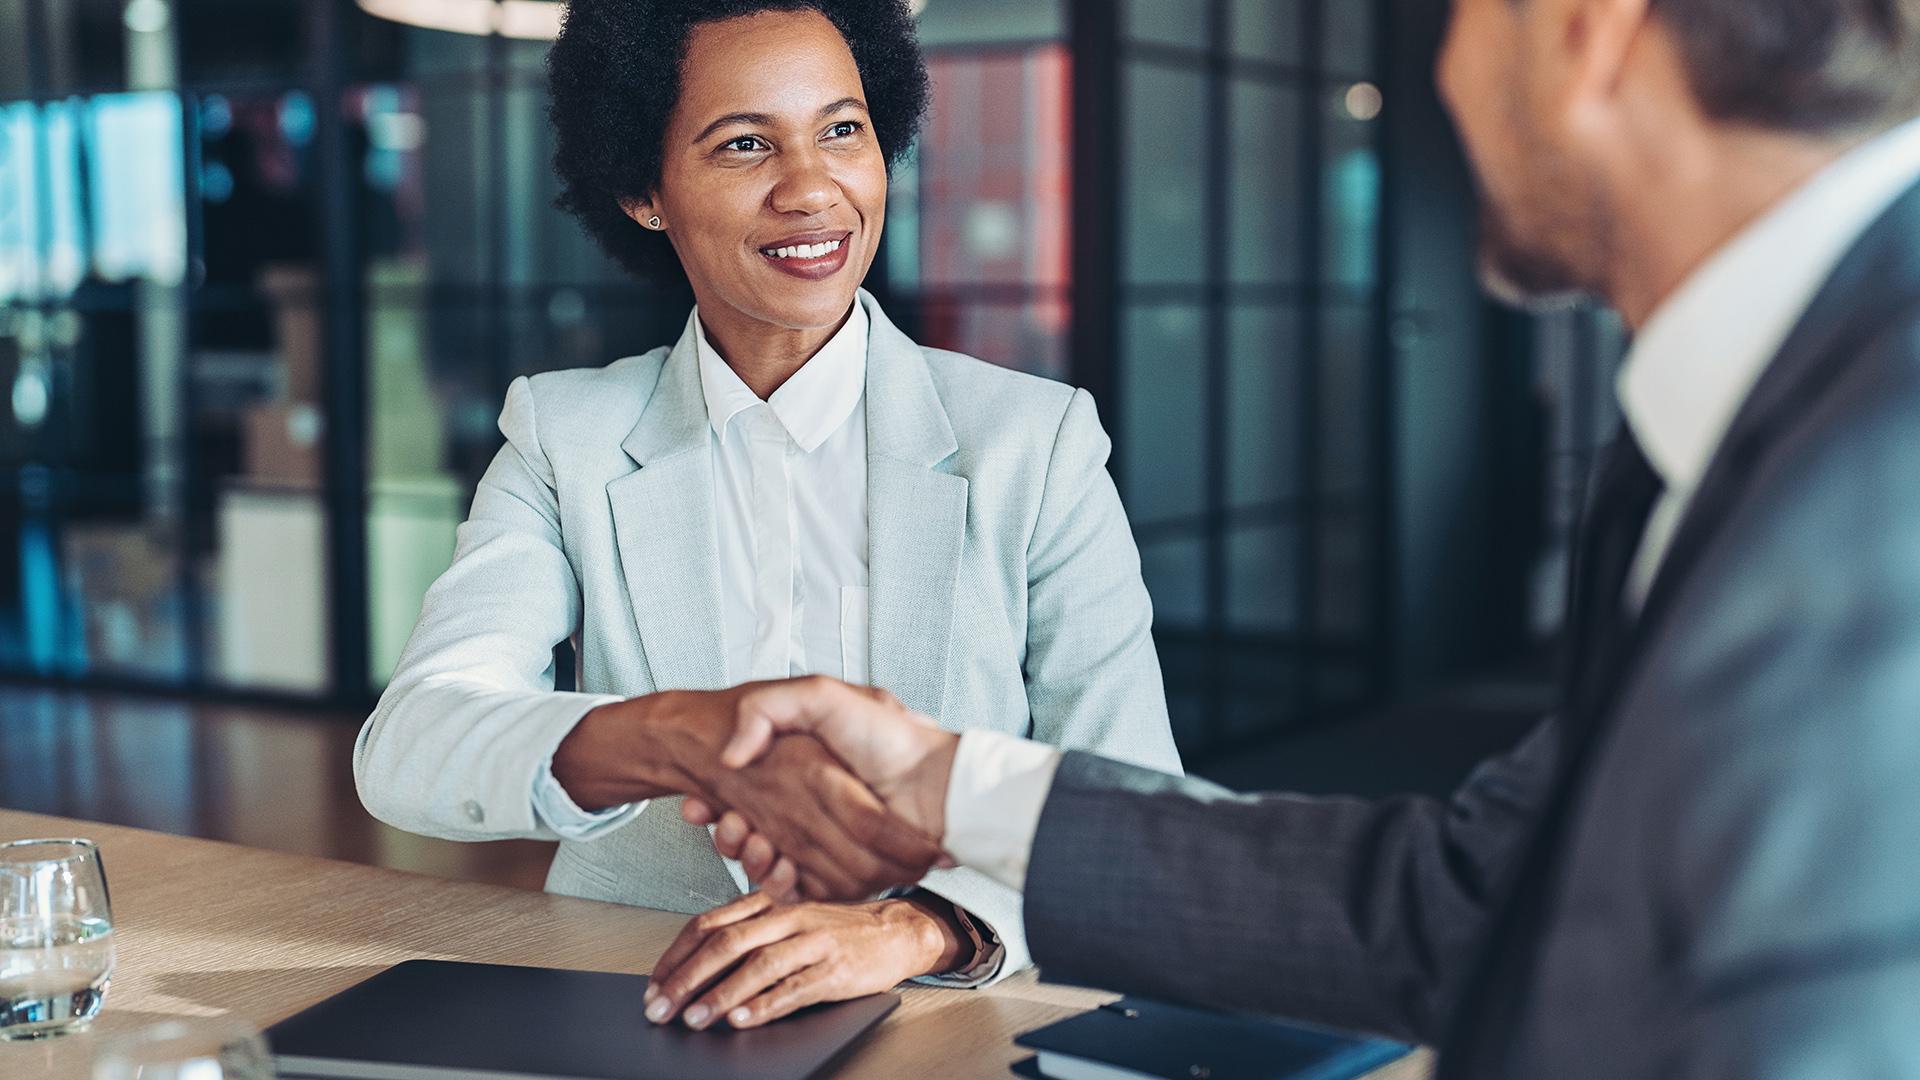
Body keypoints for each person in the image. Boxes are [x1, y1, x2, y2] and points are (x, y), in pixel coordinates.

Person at [657, 0, 1920, 1074]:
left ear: (1586, 31)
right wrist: (949, 787)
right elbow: (1466, 902)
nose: (1443, 74)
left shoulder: (1879, 466)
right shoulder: (1717, 432)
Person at [353, 0, 1180, 1028]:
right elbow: (413, 747)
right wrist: (682, 736)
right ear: (643, 191)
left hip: (949, 1019)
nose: (812, 188)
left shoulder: (1036, 443)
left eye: (843, 130)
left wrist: (919, 926)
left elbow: (1134, 803)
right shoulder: (565, 436)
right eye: (746, 144)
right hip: (642, 1010)